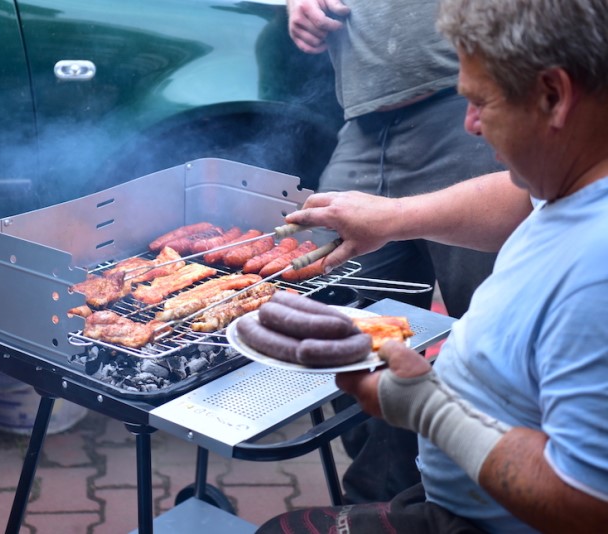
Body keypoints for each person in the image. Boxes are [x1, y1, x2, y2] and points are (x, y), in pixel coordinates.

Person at [258, 0, 608, 532]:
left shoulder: (596, 271)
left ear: (554, 96)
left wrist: (429, 409)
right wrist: (392, 217)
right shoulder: (575, 179)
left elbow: (588, 506)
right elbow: (515, 199)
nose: (469, 125)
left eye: (479, 102)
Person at [285, 0, 506, 504]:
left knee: (491, 333)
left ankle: (487, 505)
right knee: (345, 328)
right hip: (363, 122)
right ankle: (390, 504)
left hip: (462, 104)